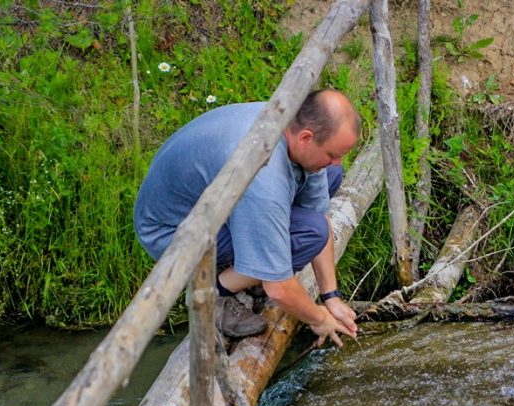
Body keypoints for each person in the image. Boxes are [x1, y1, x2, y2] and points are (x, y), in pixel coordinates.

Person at [134, 89, 359, 347]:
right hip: (173, 234)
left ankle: (251, 269)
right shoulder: (263, 177)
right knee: (310, 232)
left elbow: (319, 210)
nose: (337, 161)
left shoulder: (292, 123)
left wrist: (331, 296)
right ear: (306, 138)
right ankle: (214, 293)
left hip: (213, 207)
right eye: (333, 154)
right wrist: (319, 318)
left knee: (330, 176)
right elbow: (279, 288)